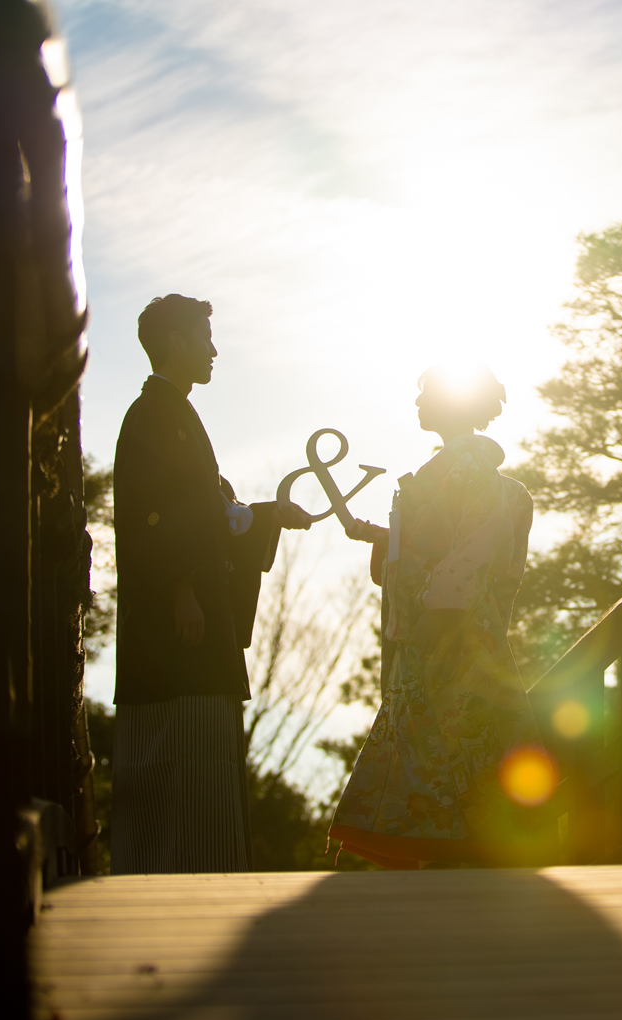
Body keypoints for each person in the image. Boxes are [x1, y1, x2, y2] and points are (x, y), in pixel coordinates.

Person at [111, 294, 311, 874]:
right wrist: (181, 588)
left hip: (191, 622)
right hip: (174, 630)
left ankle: (195, 887)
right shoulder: (152, 416)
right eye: (204, 337)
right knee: (172, 763)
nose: (214, 350)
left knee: (195, 767)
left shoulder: (173, 415)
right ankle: (165, 896)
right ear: (174, 341)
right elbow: (157, 513)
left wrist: (269, 514)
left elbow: (214, 514)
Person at [330, 365, 549, 869]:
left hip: (453, 632)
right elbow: (447, 548)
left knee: (455, 742)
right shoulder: (455, 471)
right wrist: (387, 540)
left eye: (426, 395)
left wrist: (437, 612)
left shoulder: (469, 472)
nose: (418, 404)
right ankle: (459, 859)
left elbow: (472, 549)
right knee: (455, 747)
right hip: (443, 628)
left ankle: (460, 861)